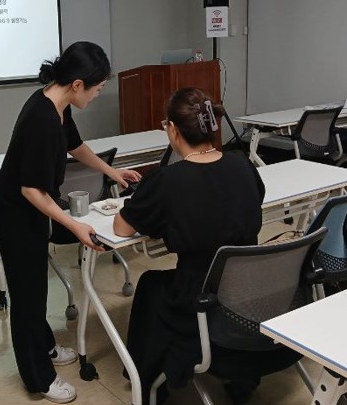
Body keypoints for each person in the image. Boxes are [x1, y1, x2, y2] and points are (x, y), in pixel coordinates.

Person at [0, 41, 141, 403]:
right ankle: (39, 379)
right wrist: (73, 226)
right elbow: (31, 189)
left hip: (32, 209)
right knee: (26, 296)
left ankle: (44, 346)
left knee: (36, 289)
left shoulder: (57, 104)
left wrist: (112, 172)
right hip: (16, 213)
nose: (97, 95)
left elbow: (76, 145)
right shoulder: (42, 119)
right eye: (97, 88)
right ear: (77, 84)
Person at [113, 88, 264, 403]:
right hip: (248, 289)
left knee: (151, 286)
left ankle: (148, 383)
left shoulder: (168, 180)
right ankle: (241, 378)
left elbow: (121, 227)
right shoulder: (242, 165)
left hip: (199, 295)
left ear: (172, 129)